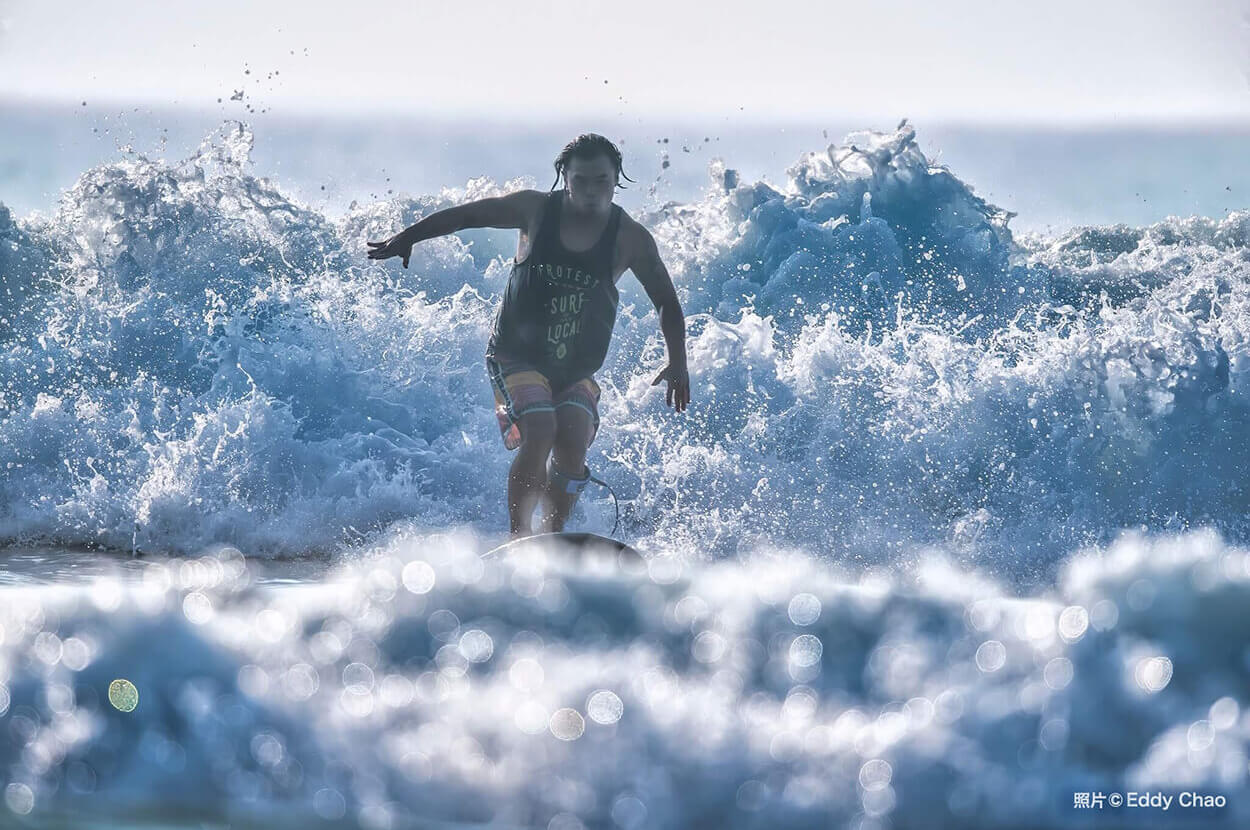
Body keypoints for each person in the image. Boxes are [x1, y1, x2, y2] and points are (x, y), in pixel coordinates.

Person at [367, 134, 690, 538]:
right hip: (516, 356)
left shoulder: (630, 238)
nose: (592, 191)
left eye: (602, 181)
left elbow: (666, 301)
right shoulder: (535, 211)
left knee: (573, 442)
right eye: (581, 181)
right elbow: (468, 215)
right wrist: (410, 235)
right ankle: (519, 536)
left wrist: (678, 361)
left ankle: (553, 535)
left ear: (616, 180)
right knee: (539, 429)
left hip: (575, 369)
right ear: (564, 178)